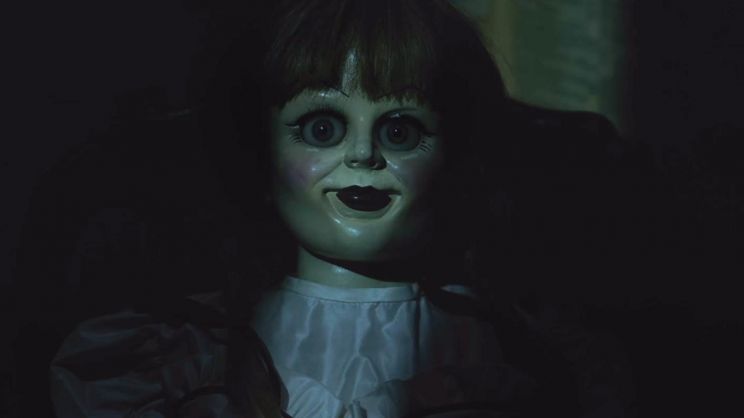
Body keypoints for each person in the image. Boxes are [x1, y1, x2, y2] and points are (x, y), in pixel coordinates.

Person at [49, 1, 636, 417]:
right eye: (322, 127)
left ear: (457, 158)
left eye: (400, 131)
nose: (362, 155)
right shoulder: (184, 351)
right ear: (258, 152)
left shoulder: (507, 344)